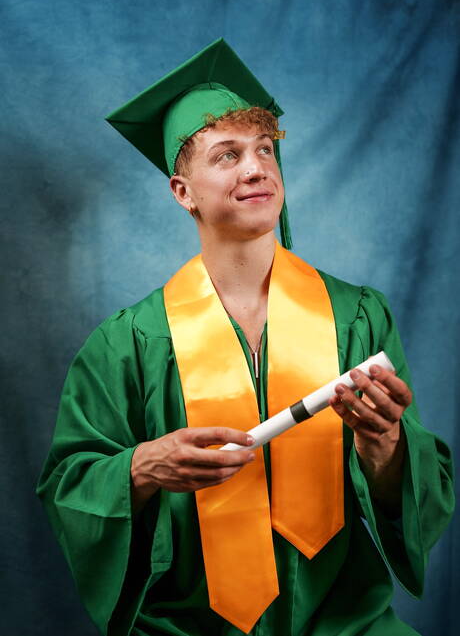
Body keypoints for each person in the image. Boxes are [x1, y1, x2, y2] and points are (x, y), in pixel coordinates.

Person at [37, 38, 454, 636]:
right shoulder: (127, 344)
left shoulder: (359, 317)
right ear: (183, 192)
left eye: (264, 149)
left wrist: (385, 446)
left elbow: (419, 496)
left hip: (346, 624)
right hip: (189, 627)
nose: (257, 167)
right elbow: (68, 485)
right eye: (227, 155)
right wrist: (143, 466)